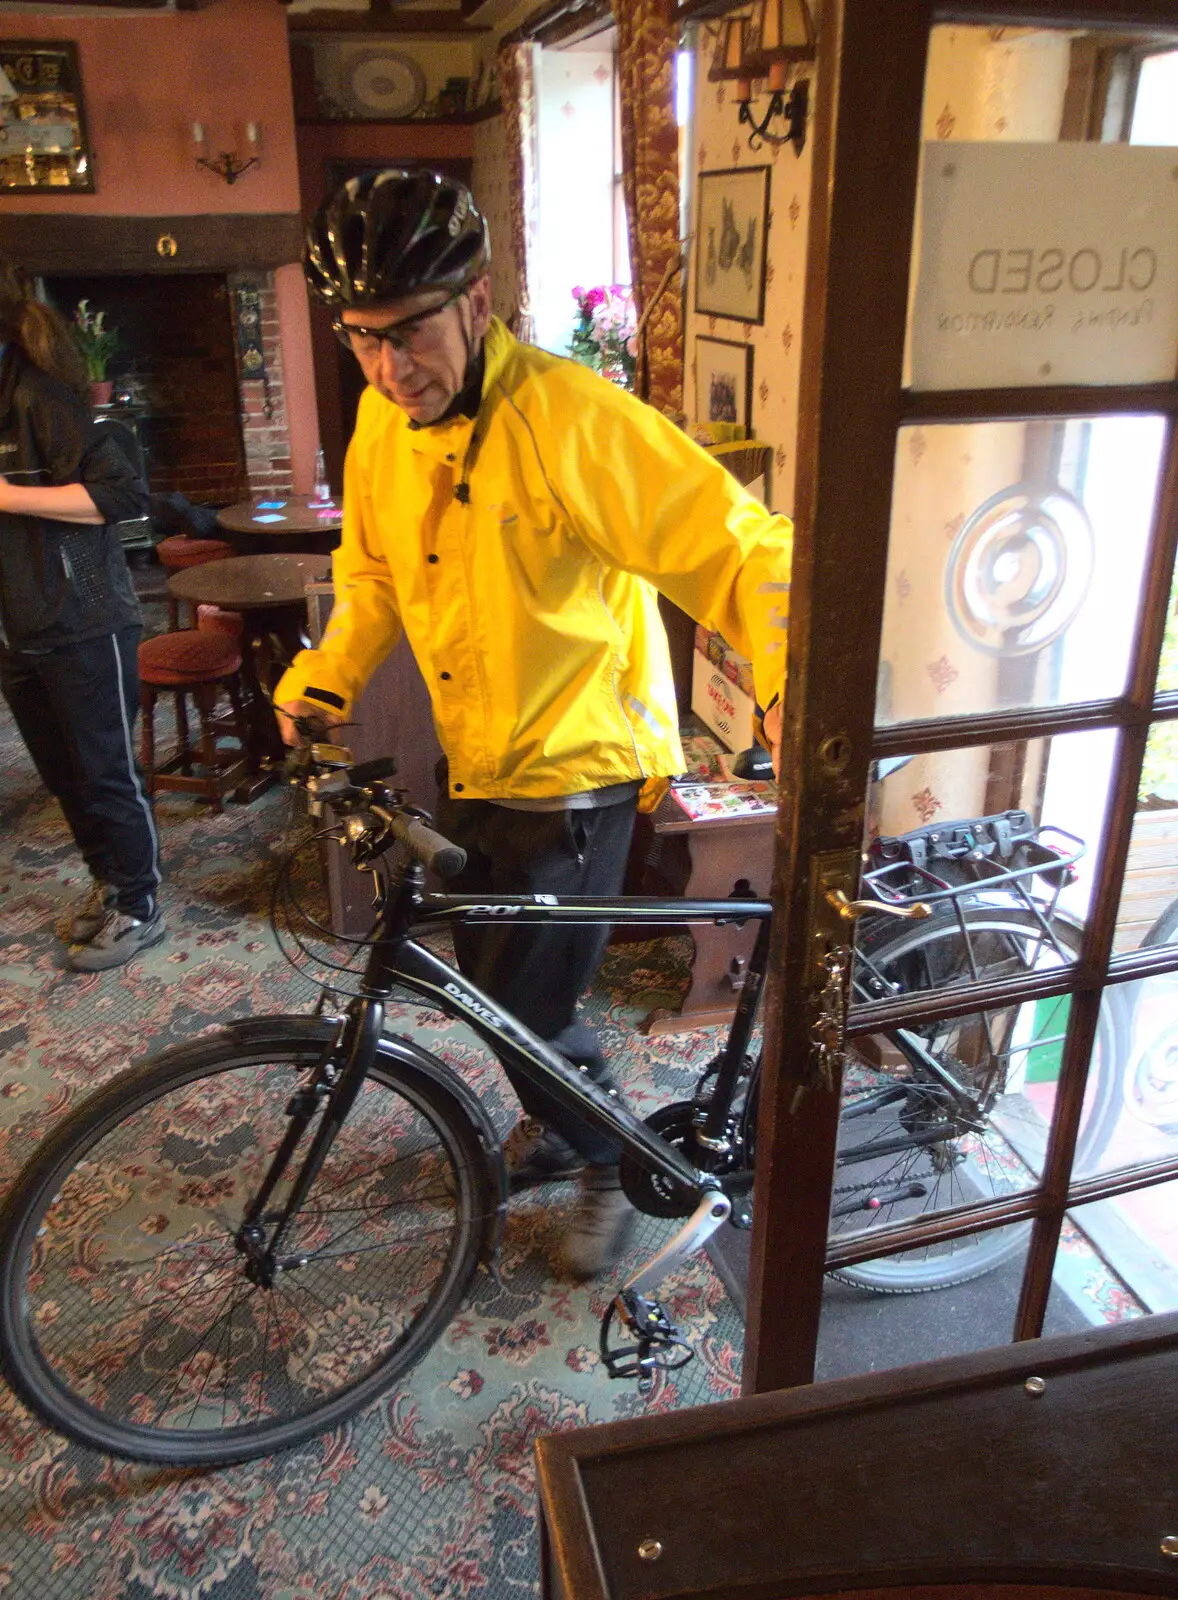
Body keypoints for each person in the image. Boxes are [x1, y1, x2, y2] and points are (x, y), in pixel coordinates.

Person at [275, 170, 790, 1277]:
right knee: (488, 973)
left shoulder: (567, 417)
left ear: (474, 297)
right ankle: (565, 1119)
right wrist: (326, 676)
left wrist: (794, 679)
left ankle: (608, 1156)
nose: (385, 367)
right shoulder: (380, 421)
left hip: (576, 769)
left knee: (523, 992)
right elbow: (366, 575)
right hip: (478, 752)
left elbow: (738, 545)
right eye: (359, 339)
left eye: (406, 333)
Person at [0, 261, 163, 972]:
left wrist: (6, 497)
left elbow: (126, 495)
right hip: (16, 631)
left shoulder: (39, 398)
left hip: (85, 620)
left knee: (104, 775)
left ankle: (141, 904)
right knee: (65, 778)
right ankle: (109, 883)